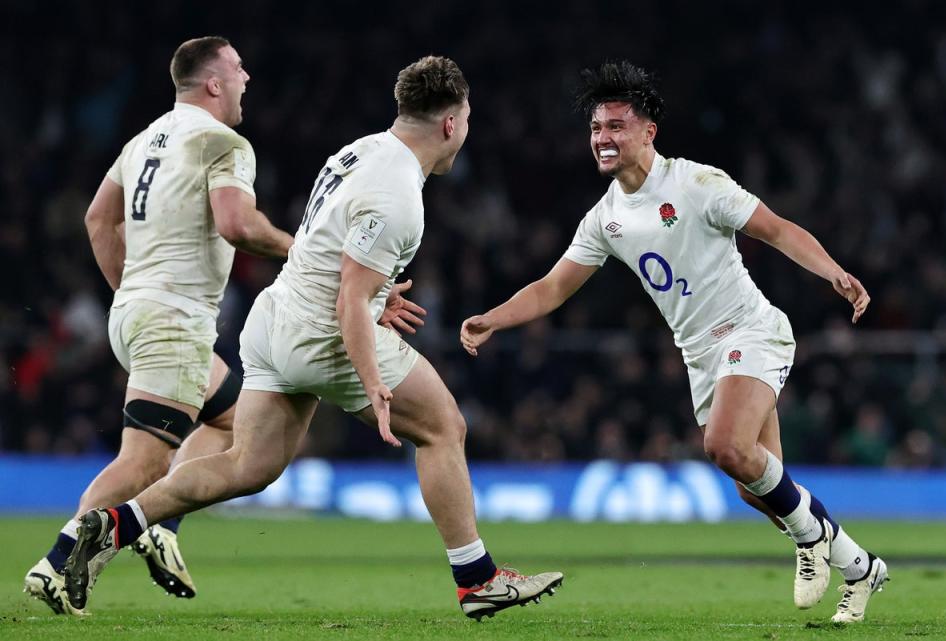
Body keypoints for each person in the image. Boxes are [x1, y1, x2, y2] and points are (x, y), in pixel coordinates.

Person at [63, 55, 563, 621]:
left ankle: (112, 524)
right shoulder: (399, 193)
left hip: (273, 319)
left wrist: (376, 295)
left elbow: (325, 250)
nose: (466, 132)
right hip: (324, 333)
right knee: (444, 425)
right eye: (467, 119)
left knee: (249, 465)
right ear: (451, 123)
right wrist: (373, 381)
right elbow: (349, 298)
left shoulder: (358, 151)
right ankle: (478, 580)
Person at [460, 61, 886, 624]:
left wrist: (832, 272)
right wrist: (494, 318)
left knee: (725, 448)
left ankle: (815, 537)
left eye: (615, 126)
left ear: (647, 132)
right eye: (595, 129)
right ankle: (859, 567)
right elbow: (553, 287)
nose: (602, 139)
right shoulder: (605, 218)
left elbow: (777, 228)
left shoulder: (696, 183)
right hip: (700, 356)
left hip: (750, 330)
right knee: (754, 488)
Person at [24, 36, 295, 616]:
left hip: (137, 313)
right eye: (239, 69)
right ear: (214, 84)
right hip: (172, 321)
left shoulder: (144, 138)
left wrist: (130, 291)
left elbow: (99, 218)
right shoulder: (225, 143)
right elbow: (238, 225)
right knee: (144, 461)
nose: (247, 77)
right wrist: (303, 253)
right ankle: (57, 559)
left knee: (232, 418)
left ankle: (161, 526)